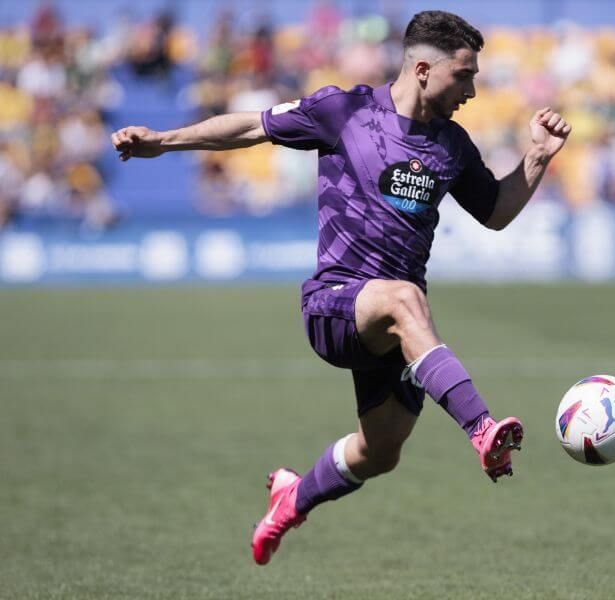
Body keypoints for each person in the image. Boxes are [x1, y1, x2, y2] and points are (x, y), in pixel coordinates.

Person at [110, 10, 571, 566]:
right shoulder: (344, 110)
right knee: (405, 298)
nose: (472, 90)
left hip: (391, 329)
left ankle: (291, 498)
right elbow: (251, 126)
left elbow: (494, 212)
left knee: (379, 453)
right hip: (335, 305)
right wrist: (164, 141)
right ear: (423, 69)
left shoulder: (452, 145)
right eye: (464, 75)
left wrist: (538, 157)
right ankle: (482, 429)